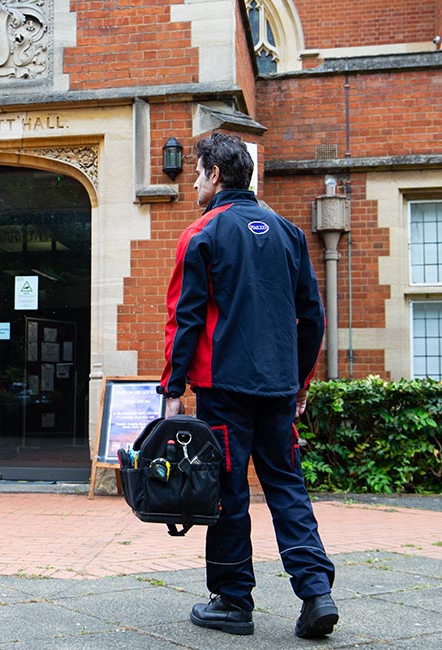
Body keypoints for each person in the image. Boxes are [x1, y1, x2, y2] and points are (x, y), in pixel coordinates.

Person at [157, 132, 338, 638]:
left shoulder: (202, 234)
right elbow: (313, 318)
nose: (194, 182)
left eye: (197, 173)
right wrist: (300, 383)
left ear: (215, 175)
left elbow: (184, 320)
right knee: (287, 487)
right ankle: (317, 594)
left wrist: (173, 392)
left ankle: (234, 603)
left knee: (229, 492)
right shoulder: (289, 233)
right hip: (279, 390)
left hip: (224, 391)